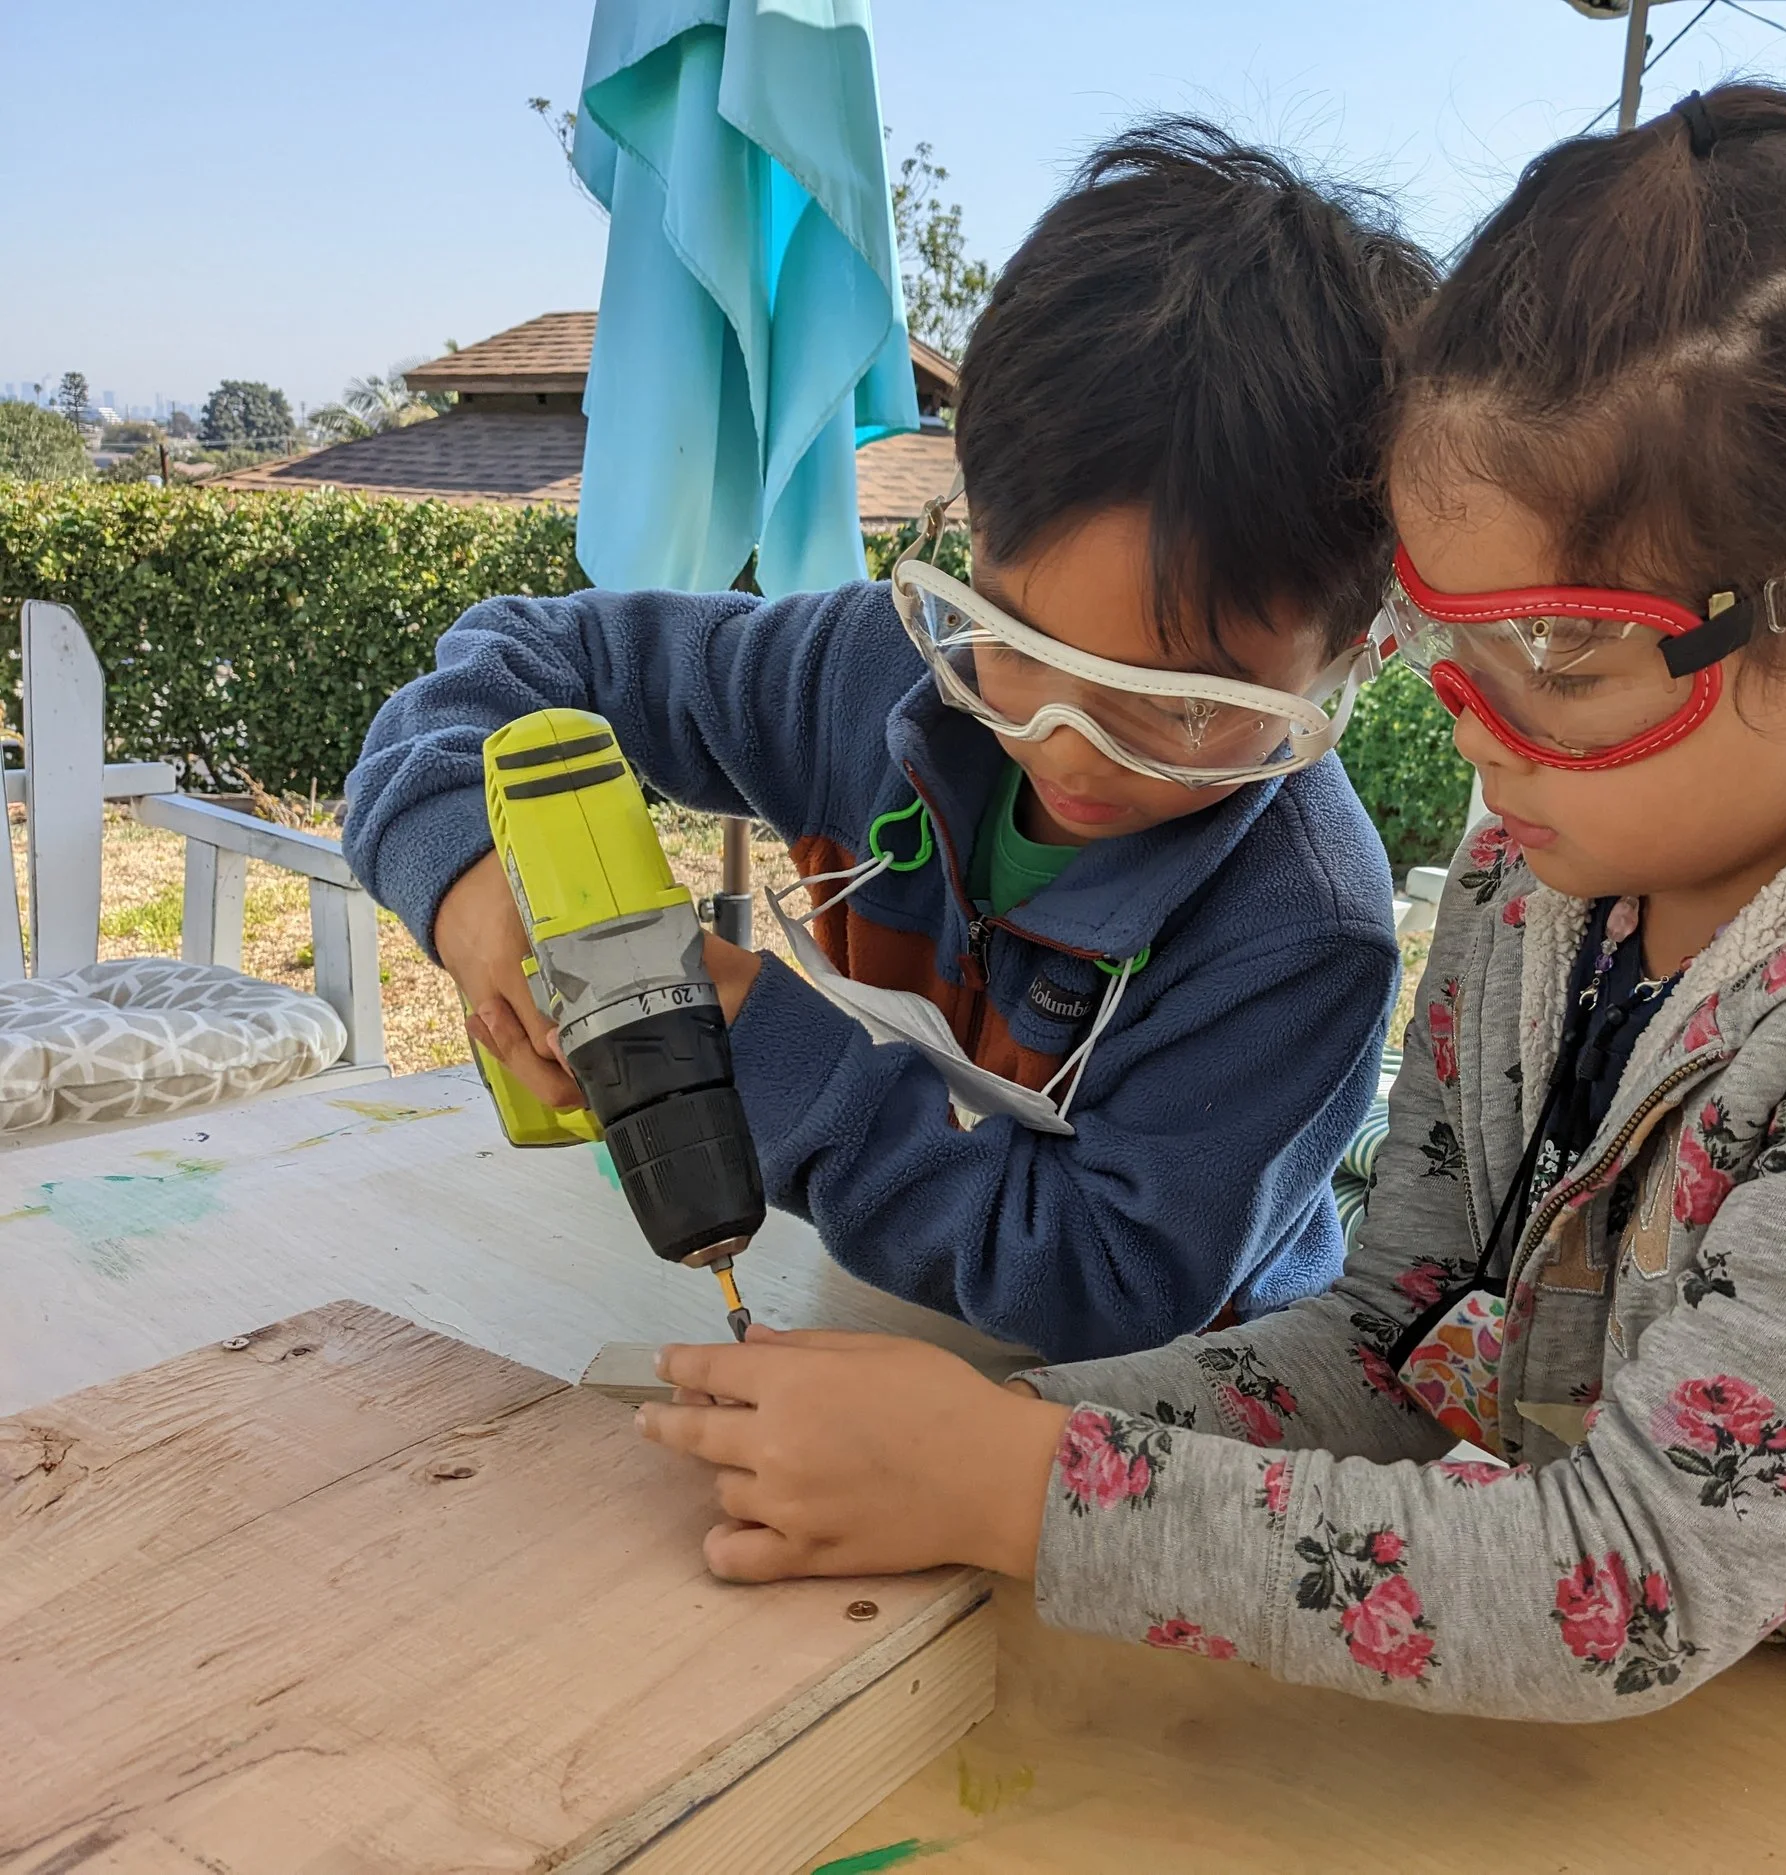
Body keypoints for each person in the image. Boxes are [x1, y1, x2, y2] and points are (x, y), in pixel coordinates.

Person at [631, 85, 1786, 1776]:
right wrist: (977, 1435)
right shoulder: (1546, 868)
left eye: (1558, 660)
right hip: (1683, 1713)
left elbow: (1632, 1581)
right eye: (1447, 638)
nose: (1475, 731)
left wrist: (1014, 1484)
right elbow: (1398, 1345)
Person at [343, 122, 1436, 1363]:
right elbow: (514, 661)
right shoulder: (866, 675)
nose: (1070, 749)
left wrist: (769, 1061)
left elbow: (1108, 1279)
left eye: (1179, 705)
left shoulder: (1301, 933)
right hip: (888, 1303)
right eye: (1013, 639)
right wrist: (470, 881)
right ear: (965, 532)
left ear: (1354, 654)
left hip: (1159, 1401)